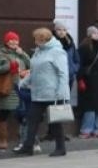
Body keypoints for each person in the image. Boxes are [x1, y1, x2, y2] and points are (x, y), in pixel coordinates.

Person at [15, 27, 69, 157]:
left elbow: (63, 73)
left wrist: (61, 91)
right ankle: (28, 146)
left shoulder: (57, 52)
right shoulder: (38, 52)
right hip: (38, 93)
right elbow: (34, 72)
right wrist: (23, 83)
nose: (34, 41)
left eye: (36, 39)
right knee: (31, 119)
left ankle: (61, 148)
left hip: (53, 93)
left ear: (43, 39)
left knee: (55, 122)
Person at [0, 32, 30, 151]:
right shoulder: (0, 53)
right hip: (7, 88)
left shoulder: (20, 53)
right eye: (11, 40)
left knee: (22, 114)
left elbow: (30, 64)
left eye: (16, 40)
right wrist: (8, 67)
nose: (14, 42)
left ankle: (23, 139)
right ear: (6, 42)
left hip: (21, 87)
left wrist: (24, 55)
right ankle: (2, 139)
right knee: (4, 113)